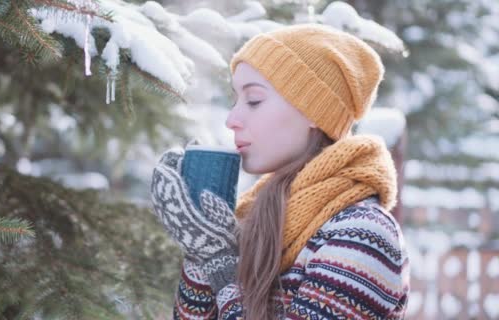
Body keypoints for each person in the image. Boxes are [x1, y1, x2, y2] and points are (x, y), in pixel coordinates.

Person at [150, 24, 410, 320]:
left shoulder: (363, 234)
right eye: (235, 100)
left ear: (313, 111)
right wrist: (198, 241)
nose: (232, 119)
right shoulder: (252, 221)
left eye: (254, 100)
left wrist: (218, 260)